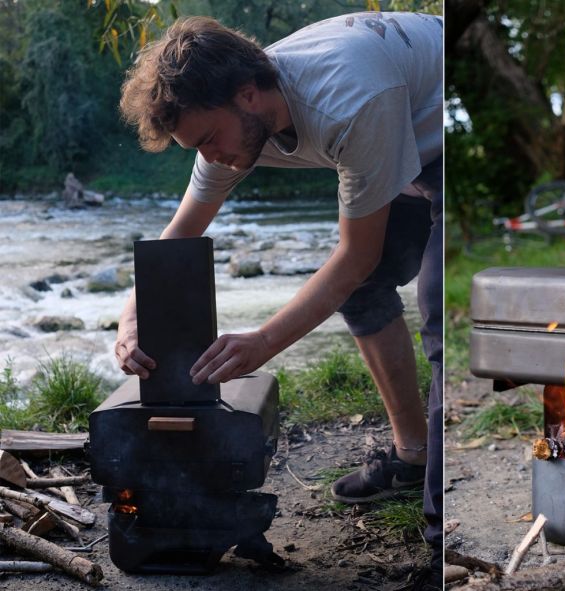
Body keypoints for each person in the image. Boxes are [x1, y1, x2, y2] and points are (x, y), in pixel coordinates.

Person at [115, 12, 443, 582]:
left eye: (208, 140)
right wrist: (129, 320)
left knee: (435, 304)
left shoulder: (348, 100)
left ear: (248, 95)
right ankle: (413, 457)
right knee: (362, 293)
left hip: (443, 128)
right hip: (396, 133)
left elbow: (355, 256)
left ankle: (442, 544)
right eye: (197, 146)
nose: (209, 155)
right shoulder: (228, 114)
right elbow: (177, 240)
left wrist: (264, 340)